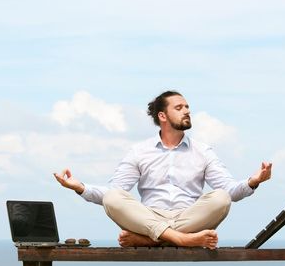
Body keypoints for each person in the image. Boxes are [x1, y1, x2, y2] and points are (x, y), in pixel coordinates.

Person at [53, 90, 272, 249]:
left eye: (187, 107)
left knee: (221, 199)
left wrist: (254, 181)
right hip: (150, 216)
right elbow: (115, 191)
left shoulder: (203, 151)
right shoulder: (139, 151)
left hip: (188, 217)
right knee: (113, 198)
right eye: (179, 108)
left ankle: (151, 240)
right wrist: (80, 187)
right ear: (162, 116)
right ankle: (181, 240)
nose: (186, 111)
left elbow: (229, 191)